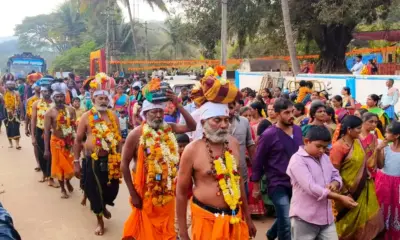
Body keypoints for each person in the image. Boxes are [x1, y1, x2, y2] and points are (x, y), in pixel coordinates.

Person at [121, 91, 196, 240]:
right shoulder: (136, 134)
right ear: (145, 113)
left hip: (167, 190)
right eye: (153, 112)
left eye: (160, 111)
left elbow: (192, 126)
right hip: (145, 191)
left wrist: (178, 104)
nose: (158, 116)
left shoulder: (169, 128)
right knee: (145, 231)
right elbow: (124, 164)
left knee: (166, 228)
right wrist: (133, 194)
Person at [176, 102, 256, 240]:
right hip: (205, 219)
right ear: (203, 122)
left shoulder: (233, 143)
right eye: (217, 120)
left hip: (234, 218)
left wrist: (248, 218)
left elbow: (239, 183)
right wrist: (183, 232)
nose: (224, 125)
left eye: (226, 120)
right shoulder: (192, 150)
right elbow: (181, 193)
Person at [287, 126, 357, 240]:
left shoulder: (324, 157)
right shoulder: (297, 160)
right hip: (304, 218)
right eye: (318, 146)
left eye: (325, 147)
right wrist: (339, 197)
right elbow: (311, 188)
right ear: (306, 141)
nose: (322, 150)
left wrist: (334, 184)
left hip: (326, 217)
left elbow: (336, 174)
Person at [73, 73, 122, 236]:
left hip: (111, 160)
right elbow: (78, 140)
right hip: (92, 161)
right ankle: (100, 220)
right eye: (99, 98)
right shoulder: (86, 117)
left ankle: (104, 205)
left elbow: (119, 139)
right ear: (93, 99)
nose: (103, 100)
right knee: (95, 191)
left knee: (111, 189)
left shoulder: (113, 116)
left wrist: (121, 159)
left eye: (105, 98)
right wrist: (76, 161)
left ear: (109, 99)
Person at [251, 98, 303, 240]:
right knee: (286, 220)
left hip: (297, 182)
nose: (291, 115)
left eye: (292, 112)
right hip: (277, 183)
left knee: (292, 215)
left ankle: (271, 233)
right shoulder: (269, 134)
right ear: (277, 114)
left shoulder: (298, 131)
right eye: (286, 112)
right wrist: (255, 187)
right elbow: (258, 160)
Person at [330, 115, 384, 239]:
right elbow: (334, 173)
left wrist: (366, 172)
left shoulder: (358, 141)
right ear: (349, 130)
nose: (361, 131)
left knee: (371, 219)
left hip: (365, 188)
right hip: (346, 192)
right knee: (347, 224)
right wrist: (344, 193)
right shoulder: (338, 147)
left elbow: (362, 161)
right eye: (358, 128)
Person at [43, 82, 76, 199]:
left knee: (71, 164)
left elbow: (74, 128)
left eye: (61, 96)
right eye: (57, 96)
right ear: (53, 97)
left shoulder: (71, 110)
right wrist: (46, 150)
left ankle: (68, 181)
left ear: (65, 97)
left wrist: (76, 144)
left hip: (69, 141)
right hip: (56, 142)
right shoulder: (49, 113)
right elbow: (46, 132)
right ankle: (62, 189)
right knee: (59, 166)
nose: (59, 99)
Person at [375, 121, 400, 240]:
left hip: (397, 185)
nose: (385, 135)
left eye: (387, 132)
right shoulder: (386, 148)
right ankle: (382, 232)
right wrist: (379, 150)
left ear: (396, 135)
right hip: (383, 182)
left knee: (396, 208)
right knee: (383, 206)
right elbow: (380, 165)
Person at [228, 101, 256, 201]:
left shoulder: (244, 121)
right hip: (221, 175)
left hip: (241, 172)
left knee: (243, 201)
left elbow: (249, 143)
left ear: (235, 106)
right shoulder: (214, 124)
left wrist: (255, 167)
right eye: (226, 108)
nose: (229, 111)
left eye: (231, 107)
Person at [31, 84, 58, 187]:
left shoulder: (55, 105)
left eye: (48, 91)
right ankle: (44, 174)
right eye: (44, 91)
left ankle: (51, 178)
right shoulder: (36, 104)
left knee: (51, 154)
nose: (46, 93)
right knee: (42, 153)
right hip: (40, 130)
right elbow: (33, 120)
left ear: (51, 92)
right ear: (41, 92)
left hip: (52, 132)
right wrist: (33, 136)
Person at [174, 133, 192, 235]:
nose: (182, 149)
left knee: (190, 216)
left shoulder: (191, 158)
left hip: (190, 193)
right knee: (177, 217)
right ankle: (176, 234)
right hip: (177, 193)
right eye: (180, 146)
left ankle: (181, 232)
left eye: (184, 146)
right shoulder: (173, 158)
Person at [25, 83, 41, 171]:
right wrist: (26, 128)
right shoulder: (30, 100)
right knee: (35, 145)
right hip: (34, 125)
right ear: (34, 88)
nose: (38, 87)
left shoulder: (47, 99)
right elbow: (28, 115)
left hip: (45, 126)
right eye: (37, 85)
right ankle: (38, 163)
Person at [3, 81, 22, 149]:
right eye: (9, 84)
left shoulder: (17, 93)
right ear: (6, 85)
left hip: (16, 112)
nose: (10, 85)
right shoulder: (4, 93)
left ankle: (17, 144)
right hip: (6, 113)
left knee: (16, 127)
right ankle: (10, 143)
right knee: (8, 127)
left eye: (12, 84)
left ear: (14, 85)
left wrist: (22, 113)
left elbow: (20, 103)